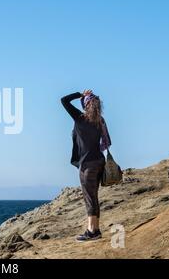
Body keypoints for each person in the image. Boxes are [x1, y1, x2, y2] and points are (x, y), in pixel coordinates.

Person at [61, 90, 111, 241]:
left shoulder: (80, 118)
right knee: (93, 196)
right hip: (99, 161)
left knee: (89, 197)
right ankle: (96, 229)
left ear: (85, 104)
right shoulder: (99, 120)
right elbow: (106, 142)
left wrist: (79, 94)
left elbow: (64, 100)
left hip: (87, 164)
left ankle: (91, 231)